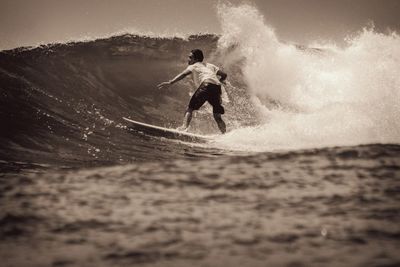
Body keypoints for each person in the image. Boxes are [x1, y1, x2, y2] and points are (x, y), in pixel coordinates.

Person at [157, 49, 228, 133]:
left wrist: (171, 82)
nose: (188, 59)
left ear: (196, 59)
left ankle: (184, 128)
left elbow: (183, 74)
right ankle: (224, 134)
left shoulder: (194, 65)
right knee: (217, 116)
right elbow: (224, 75)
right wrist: (221, 80)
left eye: (190, 57)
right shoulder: (210, 65)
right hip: (216, 87)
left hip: (206, 85)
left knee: (189, 109)